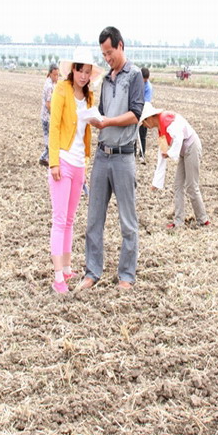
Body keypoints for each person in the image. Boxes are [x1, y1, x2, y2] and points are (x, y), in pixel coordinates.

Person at [79, 27, 145, 291]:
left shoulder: (135, 75)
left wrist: (107, 122)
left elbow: (136, 114)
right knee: (94, 218)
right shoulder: (105, 80)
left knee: (128, 221)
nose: (107, 58)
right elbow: (102, 112)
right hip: (102, 155)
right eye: (104, 54)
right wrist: (95, 119)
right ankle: (92, 272)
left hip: (123, 157)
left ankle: (126, 275)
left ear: (121, 46)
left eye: (110, 52)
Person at [46, 47, 104, 294]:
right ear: (73, 70)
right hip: (63, 160)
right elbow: (54, 127)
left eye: (88, 72)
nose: (83, 75)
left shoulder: (89, 97)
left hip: (80, 162)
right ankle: (58, 276)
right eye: (80, 70)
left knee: (70, 219)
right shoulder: (61, 90)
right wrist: (54, 162)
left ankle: (68, 268)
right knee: (60, 220)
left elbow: (86, 129)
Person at [139, 102, 210, 229]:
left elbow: (178, 137)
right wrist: (156, 182)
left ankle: (203, 219)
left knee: (191, 186)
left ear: (149, 118)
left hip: (191, 147)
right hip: (184, 151)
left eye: (144, 122)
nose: (144, 126)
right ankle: (178, 221)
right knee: (178, 185)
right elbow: (162, 154)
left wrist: (170, 153)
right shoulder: (161, 128)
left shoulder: (168, 120)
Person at [38, 64, 59, 166]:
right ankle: (44, 157)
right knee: (50, 139)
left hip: (47, 116)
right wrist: (55, 115)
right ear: (50, 74)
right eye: (55, 75)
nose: (56, 77)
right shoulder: (49, 86)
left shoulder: (52, 83)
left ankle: (45, 158)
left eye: (58, 75)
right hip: (47, 117)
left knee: (50, 138)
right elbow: (48, 104)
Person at [136, 67, 153, 163]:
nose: (144, 81)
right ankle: (132, 153)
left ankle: (142, 154)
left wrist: (142, 117)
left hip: (144, 112)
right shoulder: (136, 82)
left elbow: (146, 103)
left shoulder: (148, 87)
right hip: (134, 111)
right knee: (133, 134)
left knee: (142, 135)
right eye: (143, 79)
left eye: (145, 80)